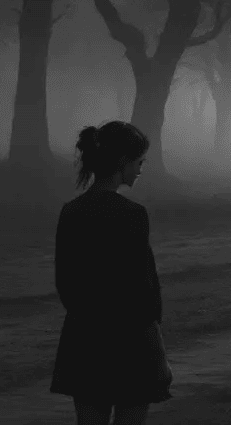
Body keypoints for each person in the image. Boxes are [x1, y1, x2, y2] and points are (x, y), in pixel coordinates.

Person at [51, 121, 171, 425]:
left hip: (85, 339)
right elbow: (143, 289)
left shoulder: (71, 212)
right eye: (139, 161)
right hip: (129, 341)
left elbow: (65, 283)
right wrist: (157, 348)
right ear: (122, 162)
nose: (141, 169)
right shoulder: (132, 215)